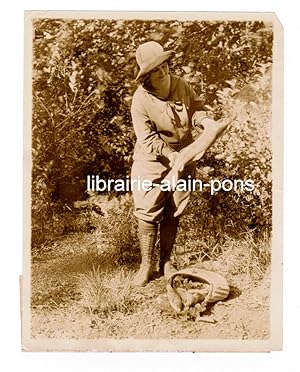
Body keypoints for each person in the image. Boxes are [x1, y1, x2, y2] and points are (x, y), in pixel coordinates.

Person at [130, 41, 211, 286]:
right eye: (155, 70)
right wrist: (169, 154)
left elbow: (196, 108)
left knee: (175, 206)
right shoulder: (141, 100)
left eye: (164, 66)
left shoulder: (181, 85)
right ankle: (146, 264)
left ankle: (165, 261)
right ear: (146, 75)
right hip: (151, 158)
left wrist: (205, 121)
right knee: (148, 207)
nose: (163, 72)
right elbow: (147, 138)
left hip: (184, 154)